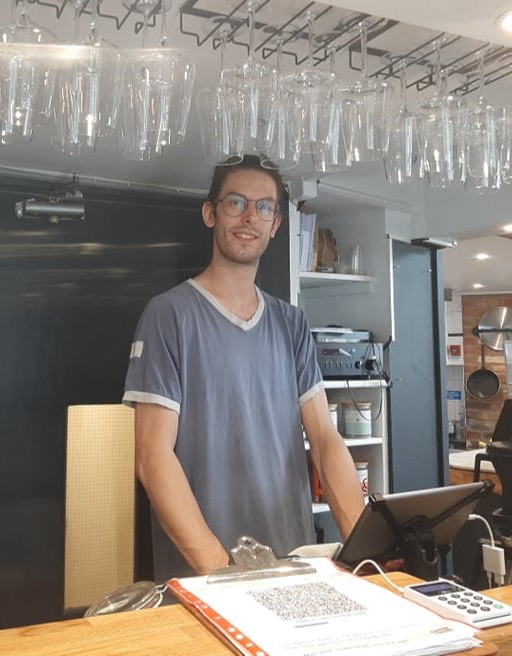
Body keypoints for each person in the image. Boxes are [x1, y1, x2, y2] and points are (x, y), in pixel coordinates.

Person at [122, 155, 365, 581]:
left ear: (275, 225)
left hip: (296, 563)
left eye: (264, 206)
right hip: (208, 576)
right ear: (210, 212)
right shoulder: (169, 316)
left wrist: (366, 548)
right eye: (236, 202)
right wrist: (221, 571)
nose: (249, 216)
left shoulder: (291, 323)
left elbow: (325, 440)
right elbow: (152, 456)